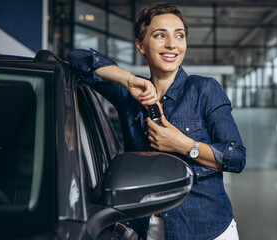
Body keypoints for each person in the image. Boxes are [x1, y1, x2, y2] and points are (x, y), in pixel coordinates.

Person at [68, 2, 246, 239]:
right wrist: (128, 79)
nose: (172, 44)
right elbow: (78, 58)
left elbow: (236, 157)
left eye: (179, 36)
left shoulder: (205, 90)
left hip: (208, 230)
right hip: (148, 229)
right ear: (140, 45)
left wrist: (183, 144)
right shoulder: (128, 94)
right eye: (160, 35)